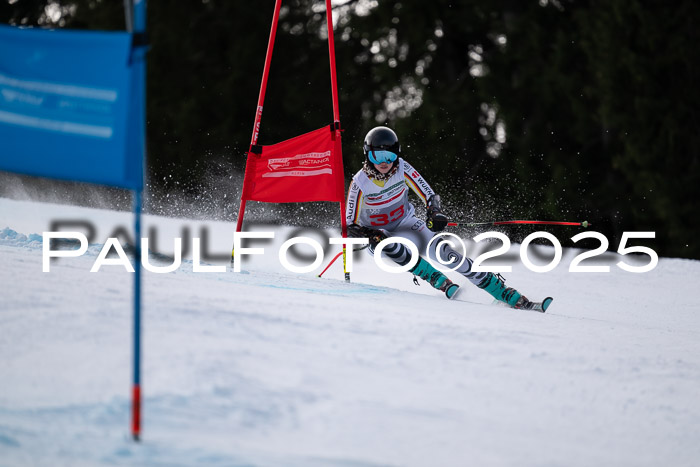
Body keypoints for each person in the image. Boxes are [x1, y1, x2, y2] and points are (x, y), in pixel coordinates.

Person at [346, 126, 543, 310]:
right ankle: (435, 278)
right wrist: (363, 233)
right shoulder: (360, 183)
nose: (384, 162)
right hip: (378, 235)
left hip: (405, 223)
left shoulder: (402, 169)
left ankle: (502, 292)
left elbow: (429, 195)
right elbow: (350, 224)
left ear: (397, 155)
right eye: (377, 155)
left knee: (445, 253)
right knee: (387, 244)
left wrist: (435, 212)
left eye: (389, 155)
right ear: (368, 154)